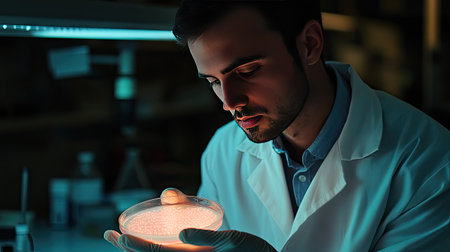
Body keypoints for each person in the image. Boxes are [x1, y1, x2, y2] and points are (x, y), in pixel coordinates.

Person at [104, 0, 450, 251]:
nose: (229, 101)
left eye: (247, 72)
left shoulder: (429, 163)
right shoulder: (223, 151)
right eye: (212, 80)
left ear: (310, 44)